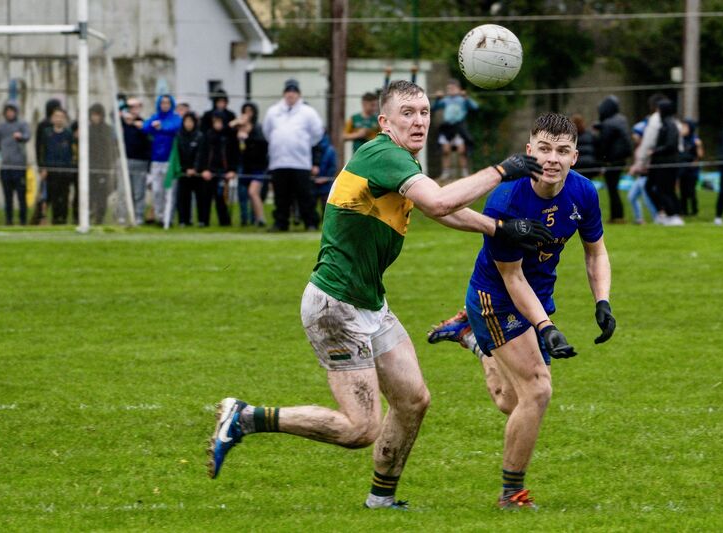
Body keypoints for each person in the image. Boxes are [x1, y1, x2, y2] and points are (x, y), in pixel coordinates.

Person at [207, 80, 551, 510]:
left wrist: (498, 228)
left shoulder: (400, 164)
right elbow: (441, 202)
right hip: (334, 306)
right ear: (384, 122)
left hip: (370, 302)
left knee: (413, 400)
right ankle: (245, 417)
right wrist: (502, 170)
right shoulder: (382, 153)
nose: (420, 120)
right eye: (408, 112)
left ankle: (381, 501)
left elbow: (438, 207)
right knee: (359, 428)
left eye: (425, 112)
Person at [427, 112, 615, 510]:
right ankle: (512, 494)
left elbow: (595, 251)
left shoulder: (583, 193)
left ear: (575, 157)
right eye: (544, 149)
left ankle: (471, 340)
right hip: (496, 298)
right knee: (538, 390)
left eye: (563, 151)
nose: (552, 159)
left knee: (511, 402)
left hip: (537, 297)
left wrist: (603, 300)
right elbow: (512, 278)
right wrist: (545, 326)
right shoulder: (507, 199)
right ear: (529, 151)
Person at [262, 78, 324, 231]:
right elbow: (267, 132)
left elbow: (317, 133)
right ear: (284, 94)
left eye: (294, 92)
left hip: (300, 162)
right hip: (279, 161)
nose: (291, 95)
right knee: (281, 196)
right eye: (288, 92)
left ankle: (310, 222)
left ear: (299, 94)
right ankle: (280, 223)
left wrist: (302, 145)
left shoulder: (308, 112)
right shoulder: (273, 111)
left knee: (305, 195)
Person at [143, 94, 182, 225]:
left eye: (167, 103)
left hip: (169, 160)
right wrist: (155, 125)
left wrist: (161, 127)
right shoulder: (155, 117)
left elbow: (173, 126)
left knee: (169, 191)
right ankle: (159, 217)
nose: (165, 105)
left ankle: (168, 219)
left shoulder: (175, 118)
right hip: (156, 160)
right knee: (156, 190)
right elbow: (145, 126)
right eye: (162, 103)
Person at [0, 101, 31, 225]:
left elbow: (27, 136)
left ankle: (23, 221)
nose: (9, 113)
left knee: (21, 197)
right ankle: (8, 221)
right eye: (7, 111)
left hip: (19, 167)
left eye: (11, 111)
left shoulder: (22, 124)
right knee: (8, 197)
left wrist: (20, 136)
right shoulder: (2, 127)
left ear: (15, 112)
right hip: (6, 168)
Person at [197, 111, 238, 226]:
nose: (218, 124)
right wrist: (203, 170)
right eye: (215, 122)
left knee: (222, 198)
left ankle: (225, 222)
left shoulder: (229, 137)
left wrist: (232, 170)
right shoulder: (207, 136)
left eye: (220, 122)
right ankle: (203, 221)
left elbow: (234, 155)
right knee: (205, 198)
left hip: (224, 173)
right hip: (209, 172)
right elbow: (202, 154)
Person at [594, 95, 631, 223]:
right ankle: (617, 215)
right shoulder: (621, 120)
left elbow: (604, 143)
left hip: (612, 160)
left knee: (612, 189)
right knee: (614, 188)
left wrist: (601, 159)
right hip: (621, 159)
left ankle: (617, 216)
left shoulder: (609, 123)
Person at [432, 79, 479, 180]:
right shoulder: (445, 100)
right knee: (445, 150)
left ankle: (464, 172)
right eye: (449, 88)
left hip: (459, 127)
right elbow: (434, 108)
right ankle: (446, 173)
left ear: (459, 89)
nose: (451, 90)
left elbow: (475, 107)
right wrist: (437, 99)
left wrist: (466, 97)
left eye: (453, 88)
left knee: (462, 150)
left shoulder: (462, 99)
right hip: (447, 127)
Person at [647, 99, 683, 226]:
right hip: (661, 162)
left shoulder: (670, 125)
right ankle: (667, 213)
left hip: (667, 163)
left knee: (665, 189)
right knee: (654, 187)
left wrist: (655, 151)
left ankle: (673, 215)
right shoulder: (665, 124)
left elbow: (671, 145)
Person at [232, 102, 268, 227]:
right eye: (245, 111)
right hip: (244, 166)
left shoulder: (257, 128)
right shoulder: (238, 128)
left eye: (250, 111)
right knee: (243, 194)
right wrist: (237, 123)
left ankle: (260, 218)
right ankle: (245, 219)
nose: (247, 114)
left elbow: (262, 144)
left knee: (253, 192)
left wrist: (247, 138)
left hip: (258, 166)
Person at [628, 95, 662, 224]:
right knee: (632, 196)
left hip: (646, 174)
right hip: (641, 175)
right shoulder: (639, 148)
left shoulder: (647, 146)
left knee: (648, 198)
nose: (634, 137)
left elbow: (644, 160)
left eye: (637, 134)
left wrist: (636, 167)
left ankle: (656, 218)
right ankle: (639, 219)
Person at [39, 108, 75, 224]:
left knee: (64, 197)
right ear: (52, 118)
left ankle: (63, 219)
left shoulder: (68, 134)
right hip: (51, 171)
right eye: (56, 116)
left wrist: (70, 169)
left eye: (61, 116)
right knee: (53, 197)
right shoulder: (47, 133)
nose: (59, 119)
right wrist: (43, 168)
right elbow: (43, 151)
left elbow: (72, 152)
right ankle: (55, 219)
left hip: (65, 171)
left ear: (64, 119)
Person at [119, 97, 151, 225]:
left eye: (136, 107)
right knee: (123, 192)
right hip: (124, 161)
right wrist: (124, 112)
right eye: (131, 107)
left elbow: (148, 142)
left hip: (140, 162)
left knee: (139, 192)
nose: (134, 110)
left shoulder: (143, 124)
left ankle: (138, 217)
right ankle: (122, 217)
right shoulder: (121, 124)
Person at [32, 98, 63, 224]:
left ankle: (57, 219)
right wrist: (41, 167)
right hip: (46, 167)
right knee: (44, 195)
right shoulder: (43, 125)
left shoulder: (60, 125)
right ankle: (38, 218)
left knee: (57, 196)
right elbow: (39, 147)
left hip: (58, 167)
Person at [88, 103, 117, 225]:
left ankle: (99, 218)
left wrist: (110, 165)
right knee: (91, 193)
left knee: (102, 195)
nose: (95, 117)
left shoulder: (108, 130)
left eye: (97, 115)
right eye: (93, 115)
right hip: (89, 168)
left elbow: (112, 148)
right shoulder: (87, 130)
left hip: (103, 168)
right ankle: (90, 214)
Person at [175, 112, 204, 227]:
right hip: (183, 172)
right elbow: (178, 155)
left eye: (190, 121)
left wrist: (195, 169)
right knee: (183, 197)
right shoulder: (179, 136)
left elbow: (200, 154)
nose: (188, 124)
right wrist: (184, 169)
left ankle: (201, 220)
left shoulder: (199, 136)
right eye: (186, 121)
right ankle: (183, 220)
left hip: (196, 173)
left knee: (199, 197)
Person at [678, 118, 704, 217]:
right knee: (682, 191)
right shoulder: (680, 140)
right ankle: (683, 210)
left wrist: (699, 146)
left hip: (692, 170)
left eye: (685, 127)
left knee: (691, 191)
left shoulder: (694, 139)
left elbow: (700, 155)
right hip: (682, 169)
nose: (683, 129)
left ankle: (694, 210)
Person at [312, 132, 337, 216]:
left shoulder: (329, 150)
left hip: (325, 182)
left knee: (324, 204)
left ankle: (314, 224)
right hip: (314, 181)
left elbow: (332, 166)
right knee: (315, 204)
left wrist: (326, 178)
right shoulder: (330, 149)